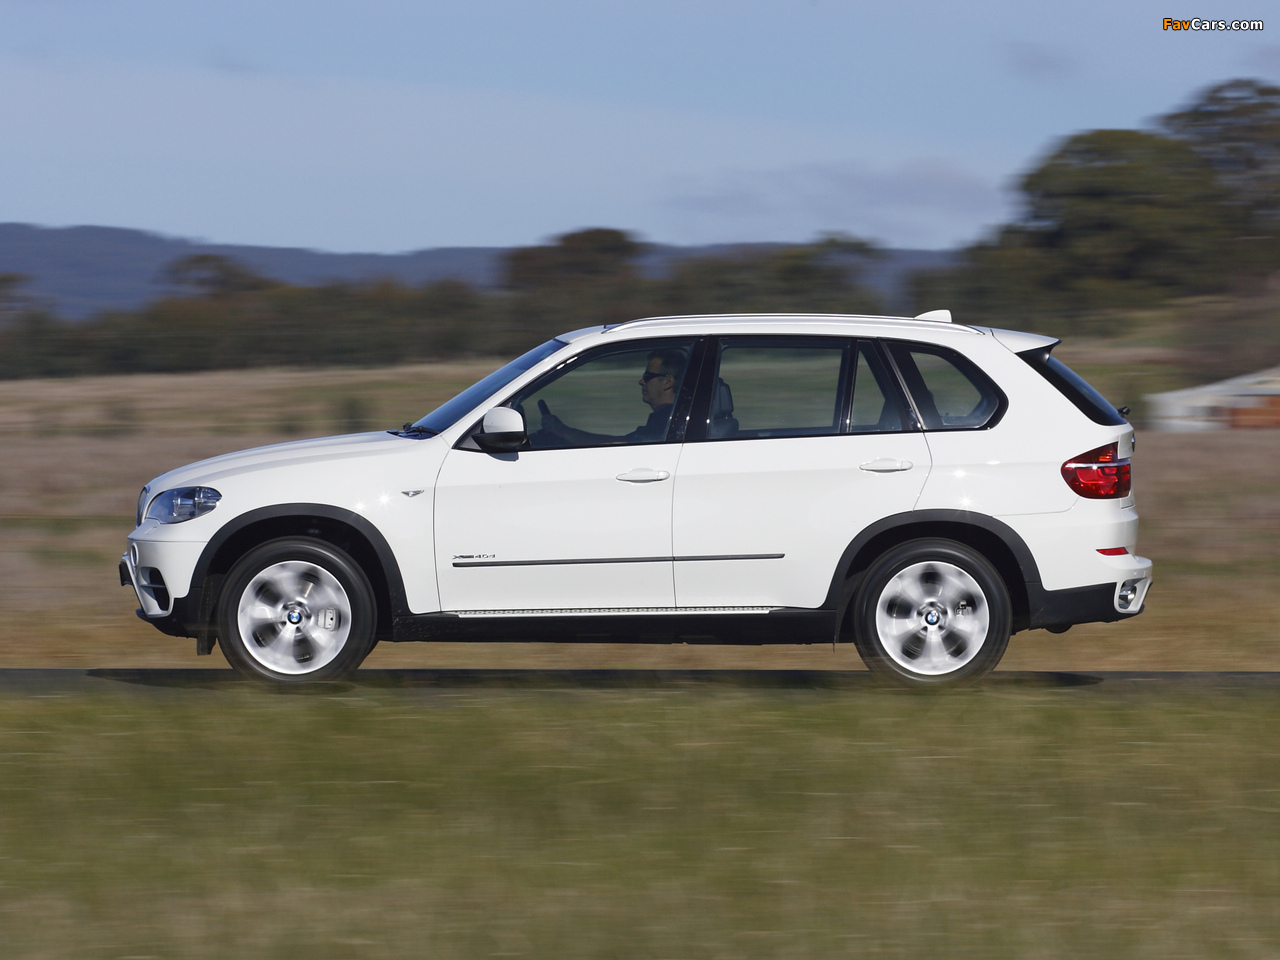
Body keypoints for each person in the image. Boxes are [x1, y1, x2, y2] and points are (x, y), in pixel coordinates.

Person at [536, 347, 687, 446]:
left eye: (647, 376)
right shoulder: (669, 418)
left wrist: (563, 432)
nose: (641, 381)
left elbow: (621, 445)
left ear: (667, 382)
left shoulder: (667, 421)